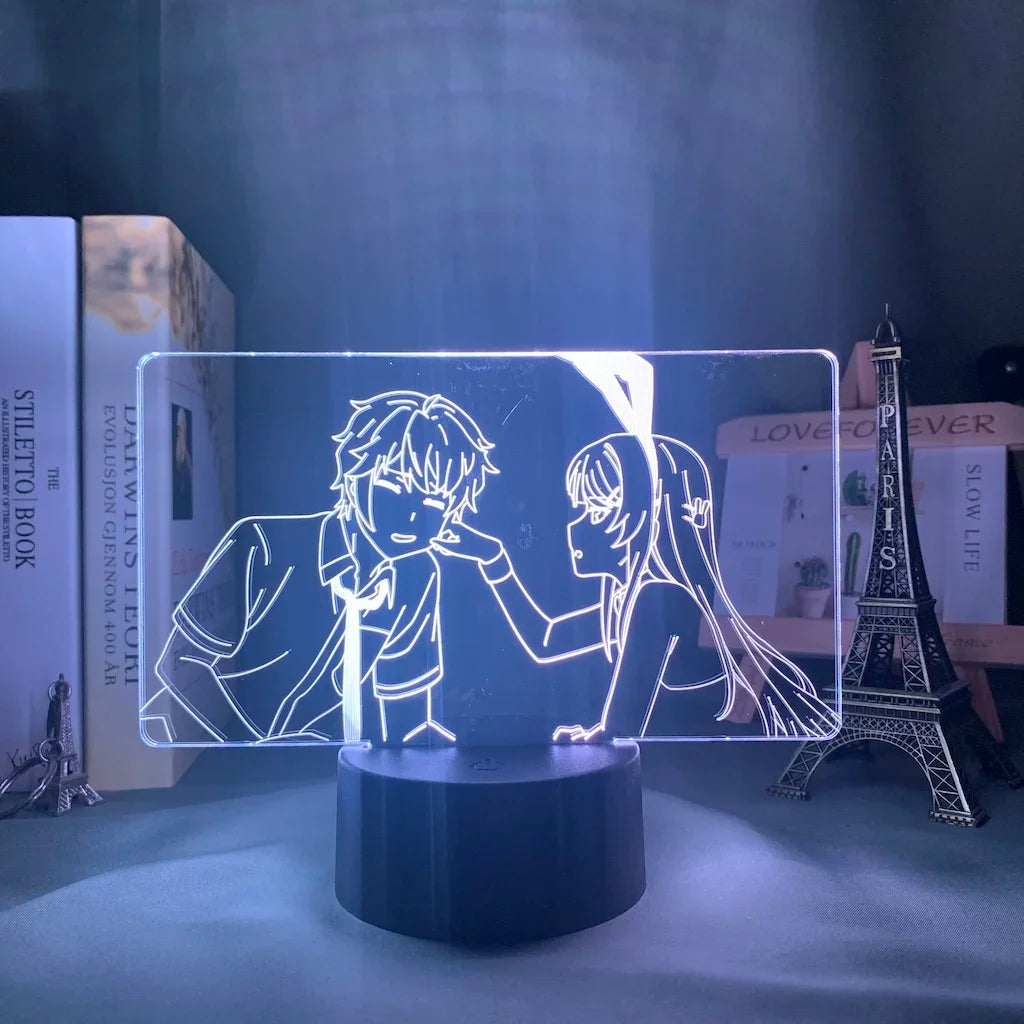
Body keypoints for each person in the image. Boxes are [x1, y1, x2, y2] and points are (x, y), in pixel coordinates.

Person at [142, 391, 497, 746]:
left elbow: (406, 712)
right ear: (354, 476)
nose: (413, 515)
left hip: (318, 761)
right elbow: (181, 663)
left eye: (435, 502)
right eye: (393, 485)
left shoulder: (417, 577)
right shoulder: (262, 544)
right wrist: (255, 749)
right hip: (194, 743)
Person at [435, 431, 840, 741]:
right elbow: (547, 640)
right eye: (580, 509)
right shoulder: (625, 599)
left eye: (596, 510)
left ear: (644, 515)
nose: (575, 527)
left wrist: (592, 740)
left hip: (694, 785)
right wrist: (494, 560)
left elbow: (621, 726)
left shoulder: (658, 598)